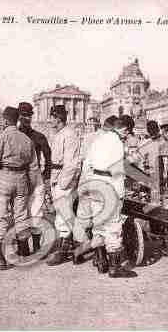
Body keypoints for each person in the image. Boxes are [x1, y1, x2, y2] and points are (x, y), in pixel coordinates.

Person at [75, 116, 137, 278]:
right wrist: (132, 160)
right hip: (110, 185)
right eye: (127, 133)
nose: (126, 136)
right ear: (124, 129)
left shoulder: (99, 139)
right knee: (113, 227)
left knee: (99, 224)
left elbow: (87, 164)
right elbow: (120, 168)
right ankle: (115, 267)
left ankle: (101, 261)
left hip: (95, 184)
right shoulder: (117, 142)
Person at [0, 107, 40, 271]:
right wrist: (29, 184)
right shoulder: (26, 139)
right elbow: (33, 165)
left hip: (3, 178)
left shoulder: (3, 137)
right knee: (21, 216)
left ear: (5, 120)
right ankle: (24, 252)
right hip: (22, 179)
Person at [45, 105, 82, 266]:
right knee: (61, 212)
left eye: (52, 117)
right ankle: (70, 246)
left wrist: (63, 183)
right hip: (57, 176)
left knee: (63, 214)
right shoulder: (59, 134)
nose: (50, 120)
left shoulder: (70, 134)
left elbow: (72, 163)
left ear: (58, 118)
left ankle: (63, 250)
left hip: (63, 179)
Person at [17, 102, 52, 254]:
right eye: (24, 115)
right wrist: (46, 176)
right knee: (32, 212)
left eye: (27, 115)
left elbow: (48, 158)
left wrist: (45, 176)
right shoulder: (38, 136)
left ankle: (27, 247)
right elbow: (49, 158)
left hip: (24, 177)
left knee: (24, 212)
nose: (26, 118)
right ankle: (32, 247)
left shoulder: (14, 136)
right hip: (31, 177)